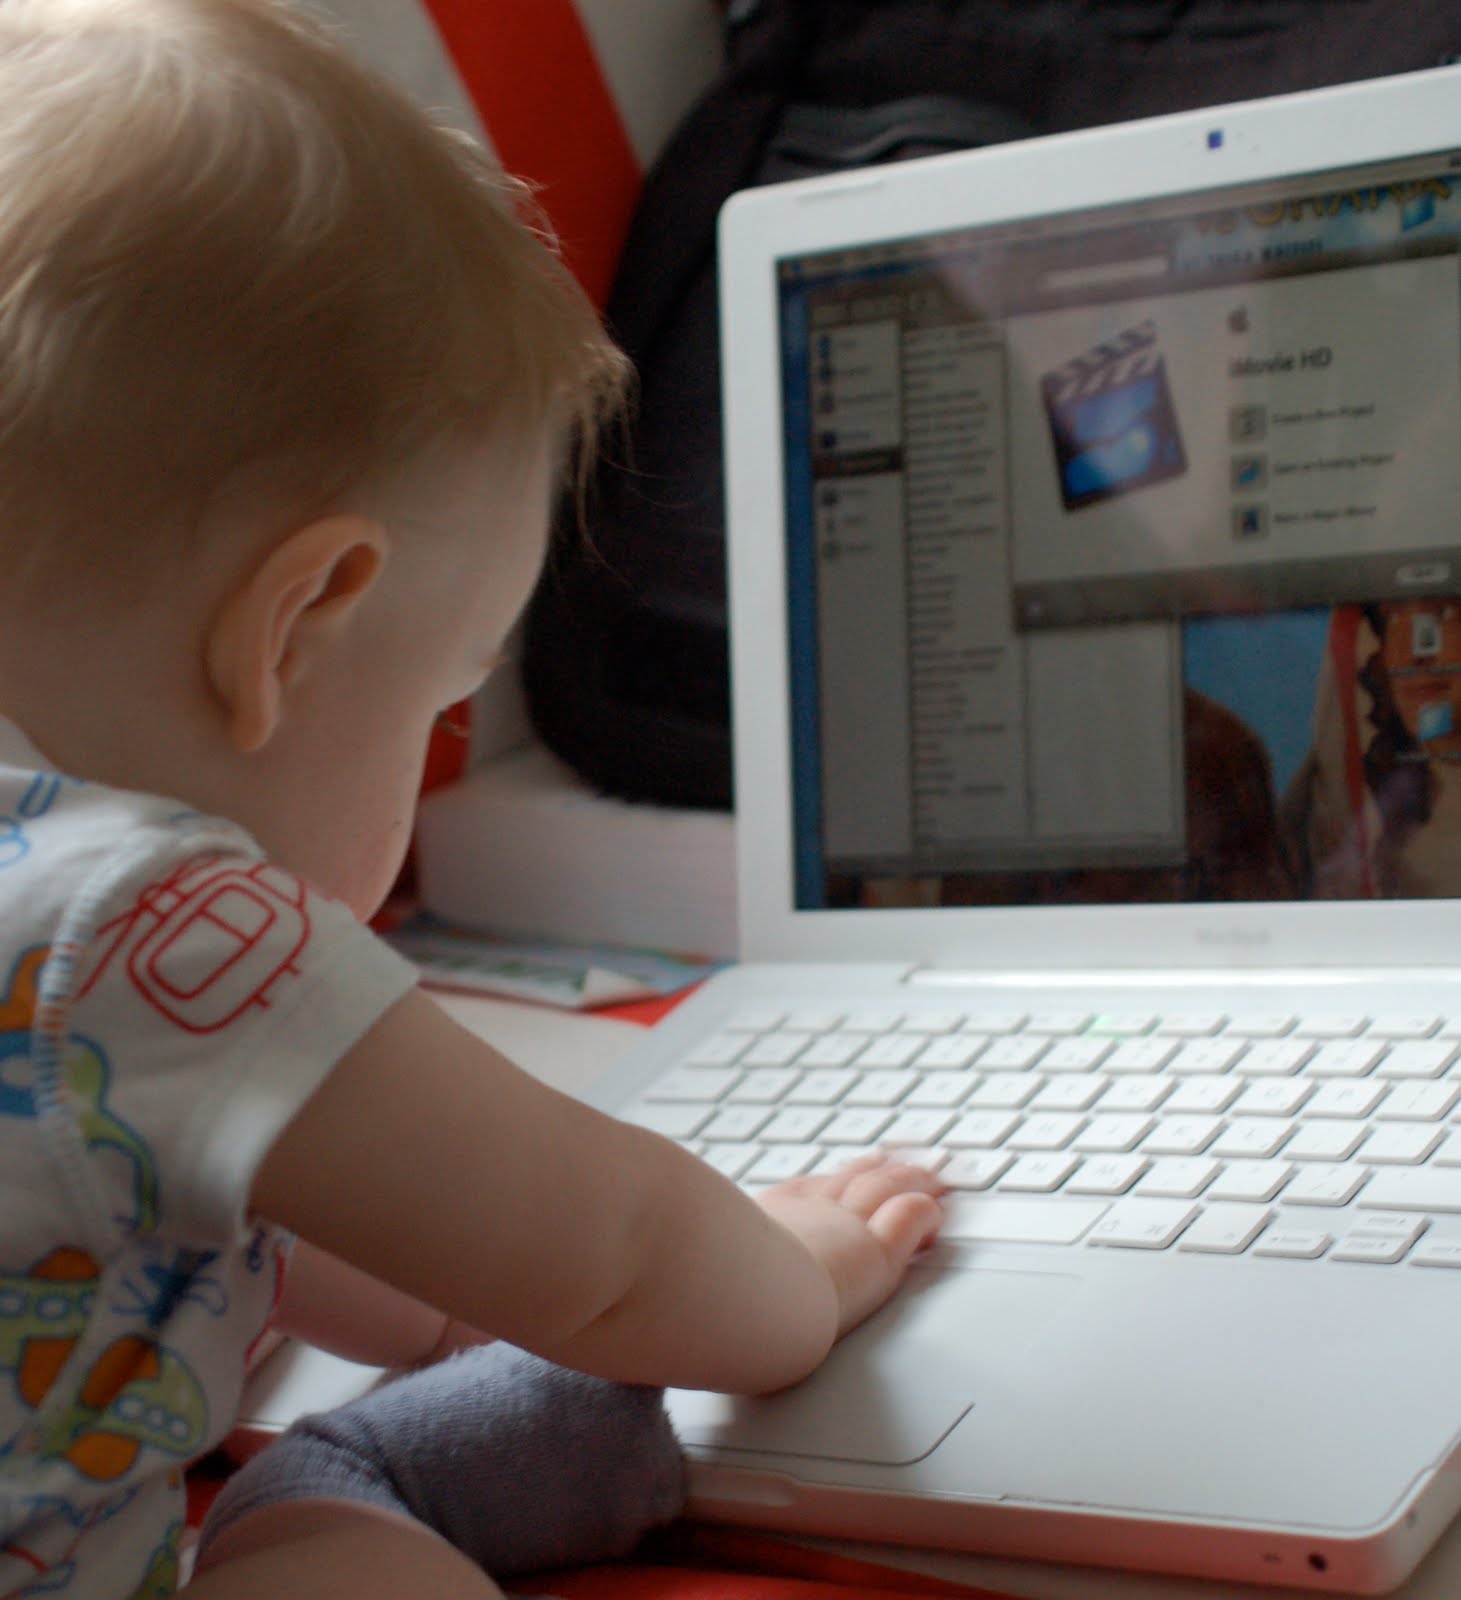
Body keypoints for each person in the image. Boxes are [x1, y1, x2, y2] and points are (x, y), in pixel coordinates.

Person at [0, 2, 948, 1596]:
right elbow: (619, 1256)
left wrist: (450, 1291)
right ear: (297, 625)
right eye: (440, 703)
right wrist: (803, 1268)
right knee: (328, 1544)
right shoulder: (165, 925)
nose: (438, 740)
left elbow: (293, 1215)